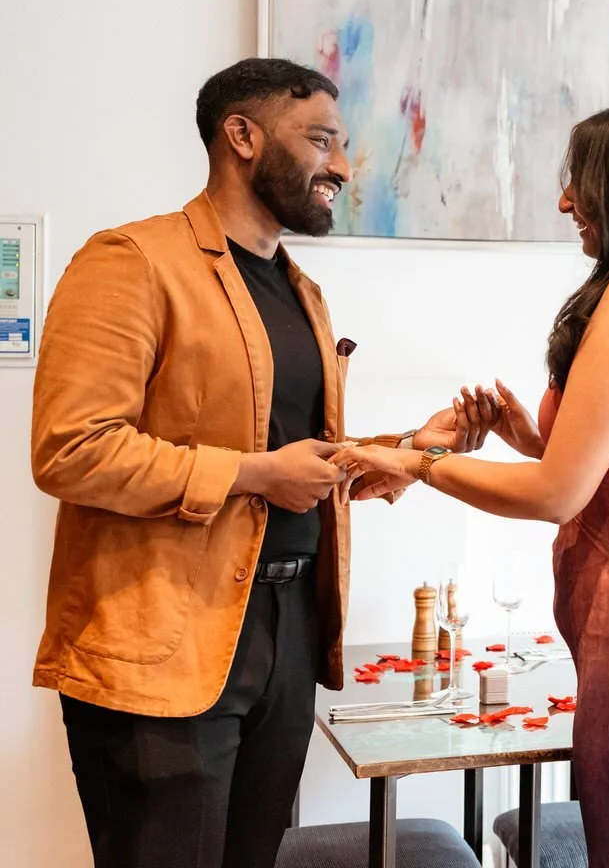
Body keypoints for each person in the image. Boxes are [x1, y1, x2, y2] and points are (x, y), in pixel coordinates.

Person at [30, 58, 480, 868]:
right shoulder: (131, 262)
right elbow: (71, 448)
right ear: (241, 136)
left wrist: (410, 447)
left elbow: (285, 449)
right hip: (160, 646)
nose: (341, 166)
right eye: (320, 140)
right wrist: (251, 474)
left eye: (343, 145)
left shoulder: (300, 289)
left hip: (287, 636)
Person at [333, 100, 609, 868]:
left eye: (582, 181)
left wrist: (418, 462)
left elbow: (558, 495)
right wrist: (529, 439)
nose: (566, 201)